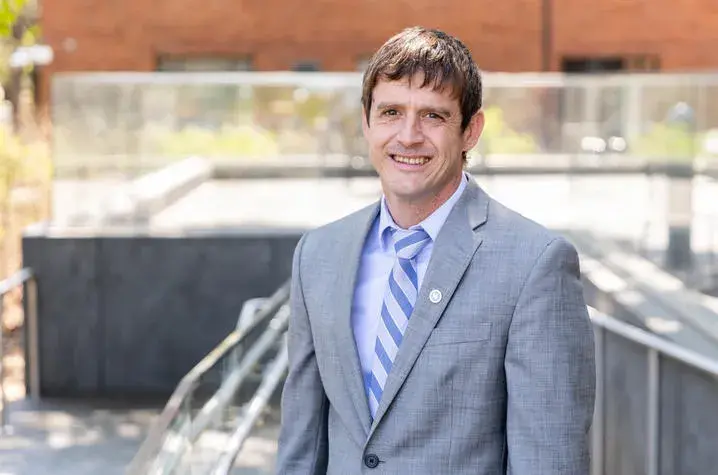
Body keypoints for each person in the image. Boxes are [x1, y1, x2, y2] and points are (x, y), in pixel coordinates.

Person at [276, 26, 596, 475]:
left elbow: (549, 462)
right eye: (391, 112)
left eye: (433, 116)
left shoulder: (535, 265)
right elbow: (301, 449)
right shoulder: (318, 255)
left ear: (470, 131)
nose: (408, 136)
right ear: (366, 122)